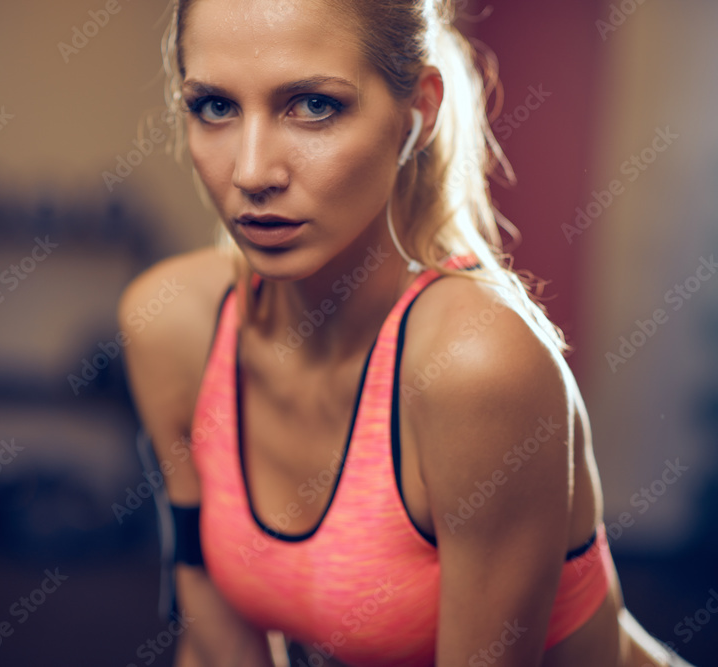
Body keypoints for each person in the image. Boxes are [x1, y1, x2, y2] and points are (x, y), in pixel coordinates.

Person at [118, 1, 690, 665]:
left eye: (313, 105)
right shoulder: (172, 325)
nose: (251, 172)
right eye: (215, 106)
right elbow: (216, 646)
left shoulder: (476, 363)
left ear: (417, 111)